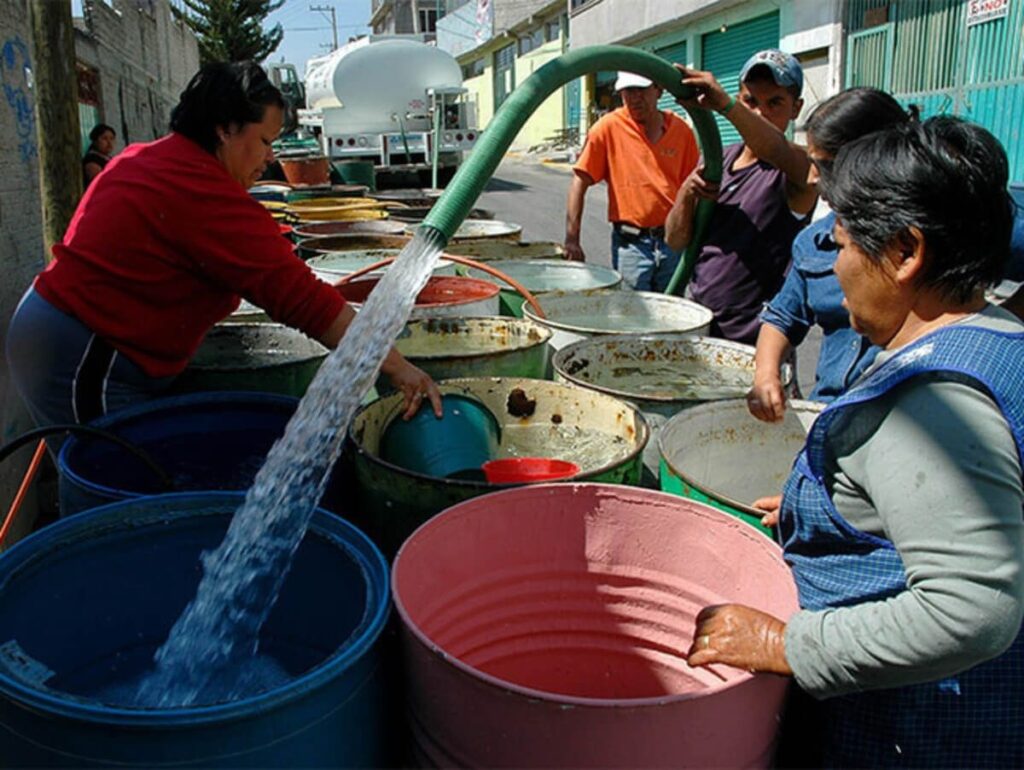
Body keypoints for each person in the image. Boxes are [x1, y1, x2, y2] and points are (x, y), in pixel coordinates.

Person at [687, 117, 1024, 767]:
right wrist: (827, 515)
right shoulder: (999, 333)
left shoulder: (932, 402)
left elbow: (973, 607)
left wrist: (788, 644)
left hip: (908, 732)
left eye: (841, 243)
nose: (835, 268)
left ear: (904, 253)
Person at [6, 61, 440, 439]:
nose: (270, 158)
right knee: (114, 491)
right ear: (225, 128)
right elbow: (305, 300)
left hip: (66, 335)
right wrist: (397, 366)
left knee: (127, 479)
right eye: (266, 141)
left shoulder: (155, 158)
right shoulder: (199, 192)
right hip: (83, 353)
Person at [747, 88, 917, 422]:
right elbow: (784, 316)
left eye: (824, 166)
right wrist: (766, 373)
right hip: (827, 413)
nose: (812, 179)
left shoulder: (938, 232)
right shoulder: (813, 243)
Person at [666, 50, 817, 344]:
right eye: (750, 101)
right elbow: (676, 240)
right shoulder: (719, 158)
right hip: (698, 325)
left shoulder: (798, 168)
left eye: (774, 103)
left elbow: (772, 147)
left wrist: (727, 105)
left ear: (796, 108)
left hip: (754, 341)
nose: (760, 113)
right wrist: (686, 192)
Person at [564, 71, 700, 292]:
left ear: (658, 90)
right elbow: (579, 181)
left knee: (671, 311)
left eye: (641, 90)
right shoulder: (608, 128)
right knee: (633, 314)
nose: (635, 98)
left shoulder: (681, 130)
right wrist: (572, 239)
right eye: (628, 91)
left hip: (673, 243)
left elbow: (694, 188)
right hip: (631, 244)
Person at [82, 123, 116, 188]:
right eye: (104, 138)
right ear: (95, 141)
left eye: (112, 138)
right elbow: (100, 184)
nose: (109, 142)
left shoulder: (109, 159)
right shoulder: (92, 161)